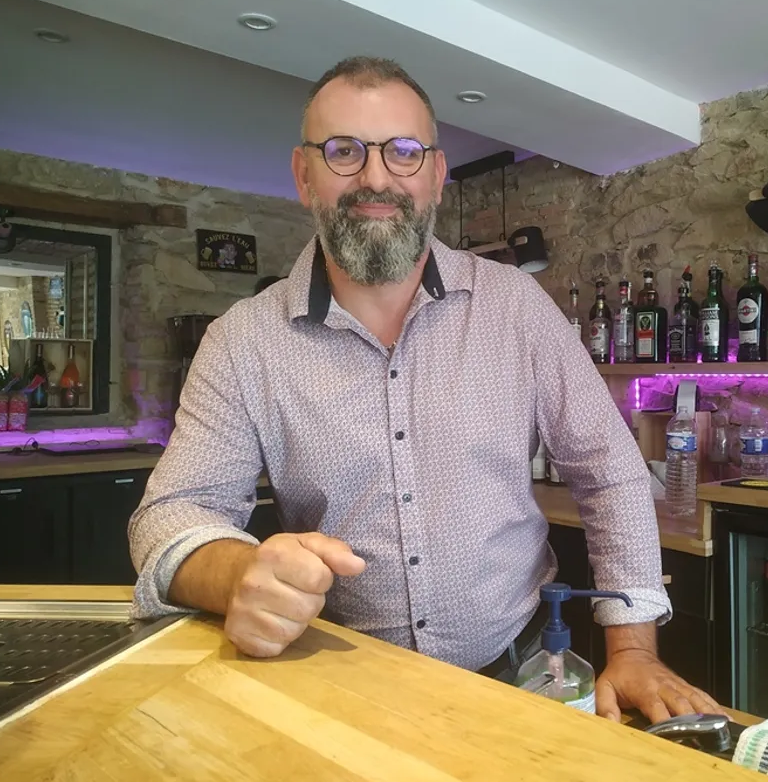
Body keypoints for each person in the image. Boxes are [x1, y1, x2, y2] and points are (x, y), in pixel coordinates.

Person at [128, 56, 725, 724]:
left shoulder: (517, 306)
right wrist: (238, 573)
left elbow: (610, 470)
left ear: (437, 174)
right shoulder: (243, 341)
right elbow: (167, 519)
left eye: (404, 151)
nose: (376, 177)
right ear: (304, 175)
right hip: (343, 687)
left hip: (522, 675)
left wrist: (634, 648)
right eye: (344, 151)